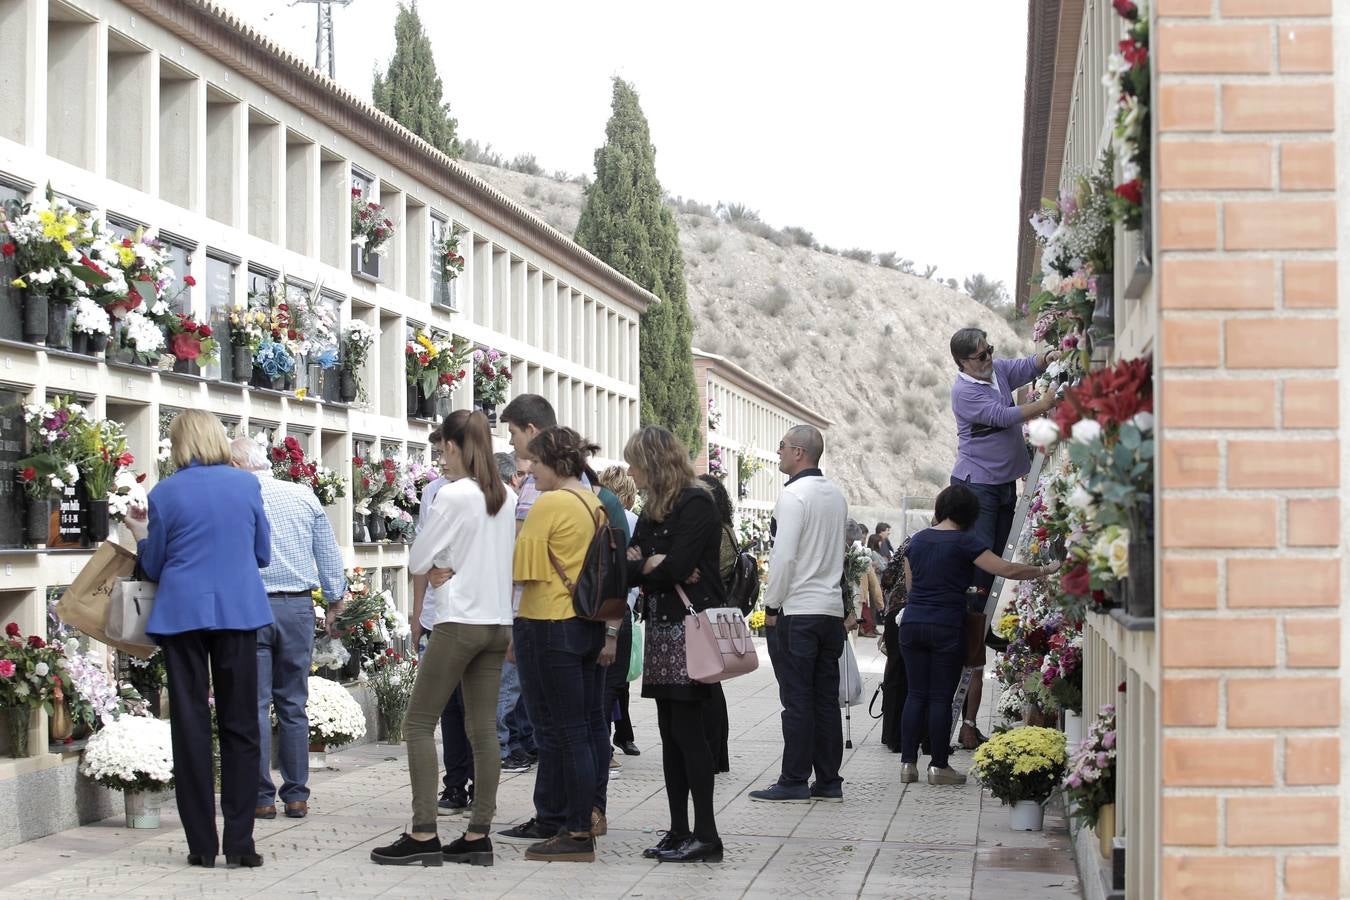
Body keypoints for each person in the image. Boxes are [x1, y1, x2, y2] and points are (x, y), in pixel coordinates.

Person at [125, 410, 272, 869]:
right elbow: (262, 553)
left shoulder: (164, 493)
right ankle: (242, 844)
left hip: (182, 614)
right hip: (237, 611)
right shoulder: (247, 486)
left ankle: (201, 846)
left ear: (180, 444)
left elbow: (153, 565)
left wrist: (140, 534)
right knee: (241, 725)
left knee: (188, 725)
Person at [371, 410, 516, 867]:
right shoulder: (507, 496)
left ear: (454, 446)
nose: (439, 460)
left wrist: (437, 568)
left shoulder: (453, 496)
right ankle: (478, 836)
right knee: (483, 730)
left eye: (440, 451)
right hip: (497, 622)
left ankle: (422, 832)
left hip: (458, 621)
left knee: (417, 724)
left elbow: (417, 560)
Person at [497, 395, 629, 844]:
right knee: (580, 727)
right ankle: (569, 818)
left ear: (553, 461)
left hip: (547, 624)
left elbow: (522, 568)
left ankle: (573, 829)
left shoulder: (550, 505)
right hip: (584, 624)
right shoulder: (593, 503)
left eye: (534, 463)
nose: (529, 471)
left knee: (559, 731)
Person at [900, 483, 1058, 785]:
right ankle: (938, 765)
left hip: (913, 622)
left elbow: (910, 586)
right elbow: (1006, 569)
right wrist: (1045, 570)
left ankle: (908, 765)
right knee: (939, 697)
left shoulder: (916, 541)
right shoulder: (965, 542)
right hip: (946, 625)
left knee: (915, 693)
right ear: (970, 513)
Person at [948, 328, 1060, 749]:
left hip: (1002, 482)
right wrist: (1043, 405)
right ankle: (976, 614)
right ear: (962, 362)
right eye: (978, 357)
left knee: (995, 553)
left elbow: (1022, 366)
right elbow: (1003, 416)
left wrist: (1050, 357)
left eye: (989, 352)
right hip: (978, 483)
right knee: (982, 559)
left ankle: (984, 617)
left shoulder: (994, 372)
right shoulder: (965, 392)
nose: (987, 359)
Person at [228, 438, 344, 823]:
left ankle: (261, 797)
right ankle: (297, 797)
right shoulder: (302, 495)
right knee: (293, 704)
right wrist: (335, 600)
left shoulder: (236, 497)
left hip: (251, 607)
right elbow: (327, 551)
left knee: (255, 705)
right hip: (296, 608)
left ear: (238, 463)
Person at [627, 427, 726, 863]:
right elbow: (624, 567)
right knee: (669, 734)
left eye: (635, 464)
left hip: (689, 629)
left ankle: (706, 835)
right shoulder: (654, 508)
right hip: (663, 629)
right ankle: (678, 830)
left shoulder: (696, 501)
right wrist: (654, 564)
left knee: (689, 734)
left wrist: (652, 563)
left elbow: (681, 564)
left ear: (655, 463)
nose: (631, 473)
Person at [750, 424, 849, 804]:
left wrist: (771, 606)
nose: (777, 453)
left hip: (798, 611)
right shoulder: (835, 496)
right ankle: (827, 780)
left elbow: (785, 556)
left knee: (797, 699)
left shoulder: (793, 496)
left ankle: (793, 779)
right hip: (828, 611)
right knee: (825, 699)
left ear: (798, 453)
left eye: (781, 447)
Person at [407, 434, 475, 814]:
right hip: (439, 611)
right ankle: (455, 784)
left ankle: (480, 786)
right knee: (447, 706)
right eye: (435, 454)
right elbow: (422, 555)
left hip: (474, 612)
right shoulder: (433, 492)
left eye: (443, 452)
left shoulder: (493, 493)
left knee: (476, 710)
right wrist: (418, 613)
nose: (439, 461)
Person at [493, 451, 535, 773]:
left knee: (512, 686)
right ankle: (501, 746)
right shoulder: (508, 503)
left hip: (509, 605)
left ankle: (509, 743)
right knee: (507, 687)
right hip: (507, 607)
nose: (524, 480)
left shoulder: (506, 502)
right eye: (520, 474)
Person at [598, 465, 641, 758]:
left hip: (594, 608)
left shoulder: (595, 513)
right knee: (616, 683)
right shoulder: (633, 520)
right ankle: (617, 740)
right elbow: (635, 567)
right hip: (622, 608)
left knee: (600, 684)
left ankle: (606, 743)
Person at [695, 473, 734, 775]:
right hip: (713, 611)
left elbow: (712, 571)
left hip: (706, 613)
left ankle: (711, 752)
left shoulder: (717, 532)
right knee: (711, 686)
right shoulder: (725, 529)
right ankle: (716, 752)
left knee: (707, 687)